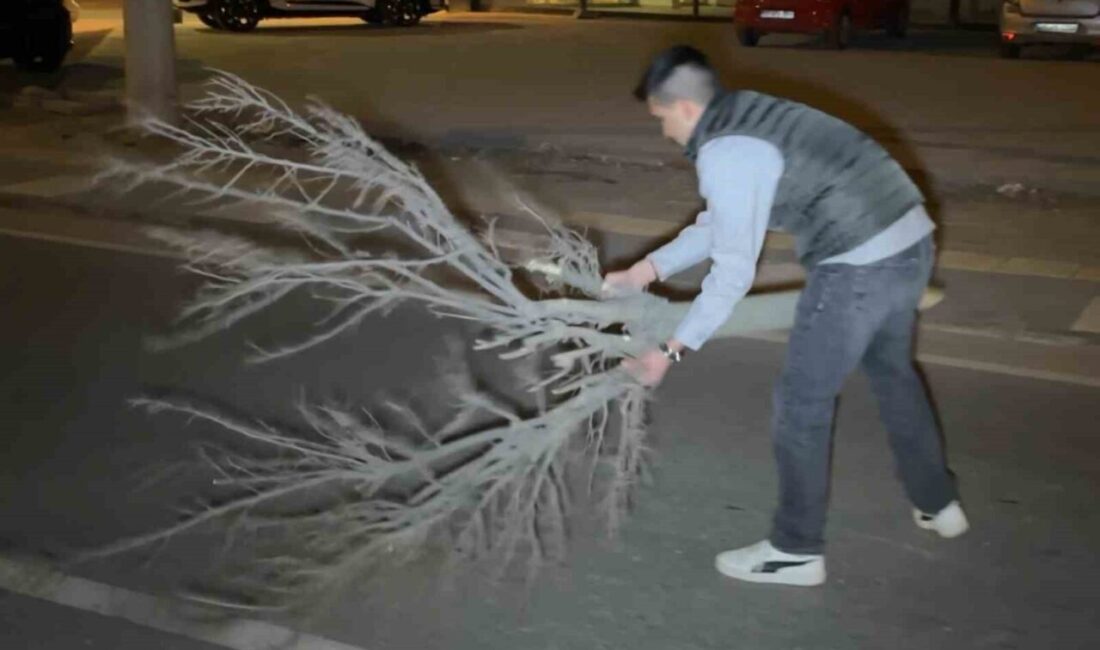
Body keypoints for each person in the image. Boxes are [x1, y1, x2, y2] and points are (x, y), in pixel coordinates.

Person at [604, 45, 968, 587]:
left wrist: (670, 350)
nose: (664, 133)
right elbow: (721, 222)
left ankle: (795, 550)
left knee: (801, 405)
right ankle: (938, 503)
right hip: (910, 242)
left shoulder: (727, 152)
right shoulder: (752, 114)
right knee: (893, 375)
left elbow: (732, 272)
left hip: (857, 267)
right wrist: (646, 271)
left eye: (660, 119)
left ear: (681, 108)